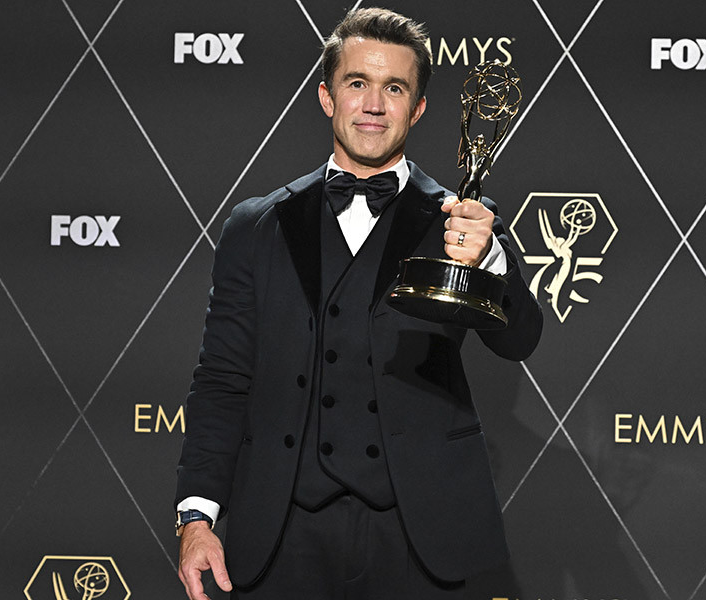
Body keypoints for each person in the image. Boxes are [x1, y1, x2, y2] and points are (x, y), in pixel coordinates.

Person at [174, 7, 542, 600]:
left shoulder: (466, 222)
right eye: (357, 84)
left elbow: (520, 339)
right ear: (326, 97)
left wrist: (490, 263)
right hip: (282, 530)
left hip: (421, 533)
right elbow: (221, 379)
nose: (373, 105)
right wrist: (197, 516)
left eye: (394, 87)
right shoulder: (256, 225)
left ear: (418, 108)